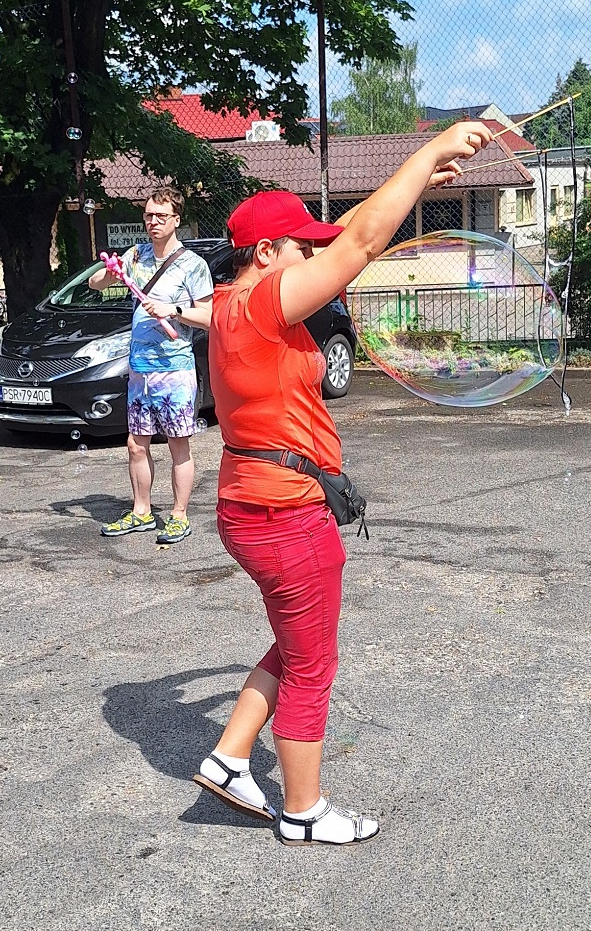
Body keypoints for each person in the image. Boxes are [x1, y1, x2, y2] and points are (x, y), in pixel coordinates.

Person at [195, 119, 492, 845]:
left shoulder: (233, 304)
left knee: (294, 643)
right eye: (300, 248)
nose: (313, 258)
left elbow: (350, 232)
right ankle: (304, 811)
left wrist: (413, 182)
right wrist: (429, 149)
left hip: (251, 504)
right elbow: (358, 244)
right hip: (284, 515)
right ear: (266, 253)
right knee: (313, 665)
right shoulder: (263, 306)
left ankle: (230, 757)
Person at [92, 188, 214, 547]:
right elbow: (95, 284)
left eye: (161, 216)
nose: (153, 222)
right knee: (135, 444)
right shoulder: (136, 255)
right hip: (139, 370)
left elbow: (209, 317)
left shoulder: (192, 265)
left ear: (176, 219)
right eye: (148, 215)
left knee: (178, 444)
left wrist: (173, 310)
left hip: (175, 369)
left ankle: (178, 515)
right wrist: (110, 273)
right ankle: (142, 512)